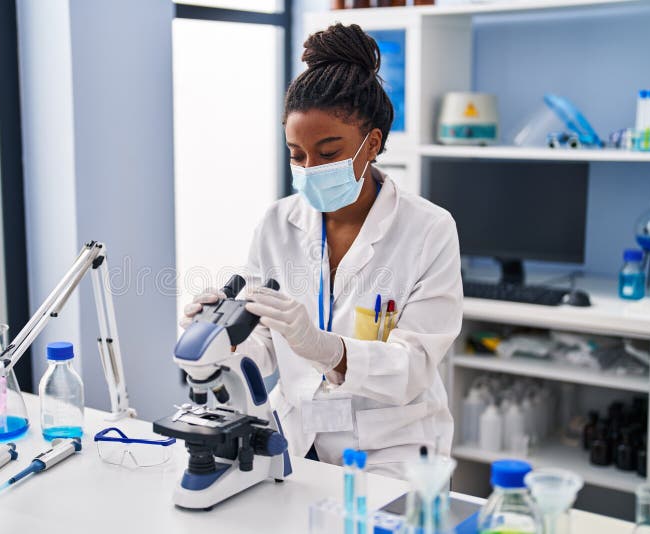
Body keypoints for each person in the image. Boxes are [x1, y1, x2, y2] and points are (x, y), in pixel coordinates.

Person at [181, 23, 462, 479]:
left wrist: (325, 348)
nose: (310, 169)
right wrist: (220, 339)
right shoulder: (277, 223)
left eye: (328, 153)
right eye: (297, 155)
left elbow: (413, 367)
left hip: (391, 452)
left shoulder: (429, 229)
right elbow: (263, 345)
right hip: (297, 440)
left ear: (372, 144)